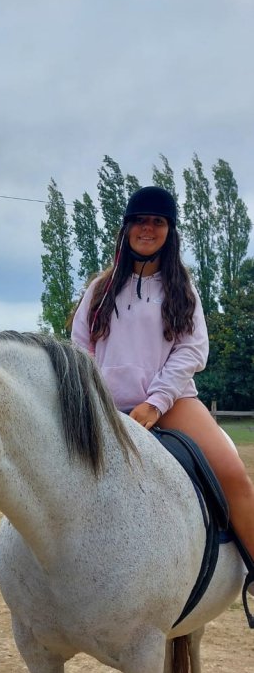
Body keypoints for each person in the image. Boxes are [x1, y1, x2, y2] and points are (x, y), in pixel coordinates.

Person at [71, 184, 254, 571]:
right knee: (45, 460)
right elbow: (80, 348)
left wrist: (155, 402)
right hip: (104, 404)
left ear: (169, 231)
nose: (148, 229)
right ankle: (23, 567)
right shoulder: (100, 290)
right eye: (140, 221)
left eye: (158, 222)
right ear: (126, 228)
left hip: (172, 403)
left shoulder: (182, 289)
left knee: (233, 473)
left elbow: (192, 350)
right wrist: (94, 396)